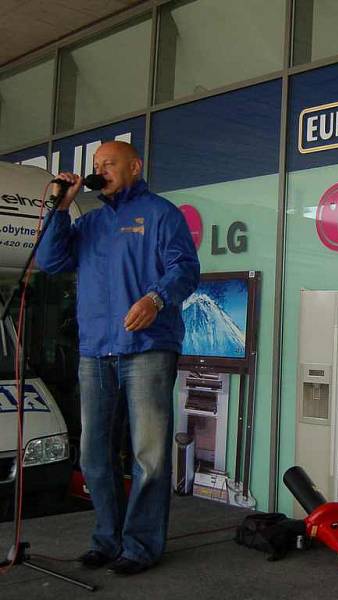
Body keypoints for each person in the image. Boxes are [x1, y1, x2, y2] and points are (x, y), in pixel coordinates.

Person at [36, 141, 200, 576]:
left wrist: (156, 298)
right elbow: (51, 262)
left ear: (134, 166)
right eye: (96, 165)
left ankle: (141, 546)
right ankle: (107, 540)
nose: (100, 170)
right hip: (95, 351)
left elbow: (185, 268)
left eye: (109, 163)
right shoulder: (87, 222)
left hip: (147, 350)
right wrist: (59, 209)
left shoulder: (161, 214)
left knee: (148, 455)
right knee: (93, 455)